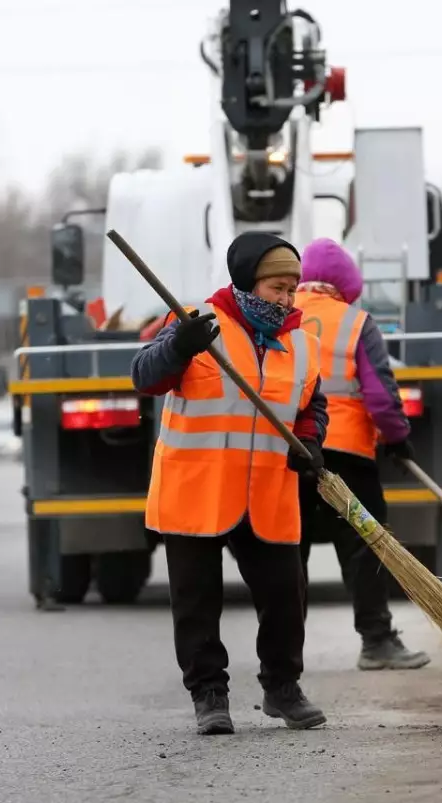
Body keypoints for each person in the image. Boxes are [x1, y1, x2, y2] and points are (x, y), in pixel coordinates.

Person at [130, 231, 330, 737]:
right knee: (196, 600)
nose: (286, 299)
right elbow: (144, 376)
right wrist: (178, 347)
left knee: (287, 595)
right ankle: (209, 694)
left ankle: (283, 688)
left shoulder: (302, 342)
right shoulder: (197, 323)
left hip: (268, 492)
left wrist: (311, 441)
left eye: (292, 288)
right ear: (246, 282)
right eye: (276, 287)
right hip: (195, 488)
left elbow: (311, 406)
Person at [292, 238, 430, 671]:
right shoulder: (355, 322)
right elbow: (380, 394)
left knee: (286, 554)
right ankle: (377, 642)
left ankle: (284, 654)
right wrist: (396, 436)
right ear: (346, 284)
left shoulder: (279, 316)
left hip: (290, 453)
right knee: (364, 547)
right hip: (346, 454)